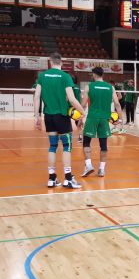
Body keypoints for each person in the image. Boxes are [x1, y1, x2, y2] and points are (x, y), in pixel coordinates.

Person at [34, 52, 86, 189]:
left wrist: (37, 116)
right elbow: (71, 98)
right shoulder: (65, 76)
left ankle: (52, 178)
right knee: (67, 147)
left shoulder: (42, 76)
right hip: (62, 116)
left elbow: (37, 96)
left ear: (50, 62)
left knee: (52, 146)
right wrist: (83, 111)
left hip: (49, 116)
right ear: (61, 62)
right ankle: (68, 179)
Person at [81, 67, 123, 178]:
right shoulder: (111, 87)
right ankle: (101, 170)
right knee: (103, 145)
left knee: (86, 142)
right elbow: (117, 104)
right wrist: (120, 119)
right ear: (102, 74)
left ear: (94, 74)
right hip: (105, 119)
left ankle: (89, 165)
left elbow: (84, 104)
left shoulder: (88, 86)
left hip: (92, 117)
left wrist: (80, 117)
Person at [71, 75, 83, 143]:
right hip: (77, 107)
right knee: (78, 124)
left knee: (65, 122)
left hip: (70, 107)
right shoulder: (78, 87)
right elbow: (81, 97)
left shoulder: (69, 86)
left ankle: (62, 137)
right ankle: (80, 137)